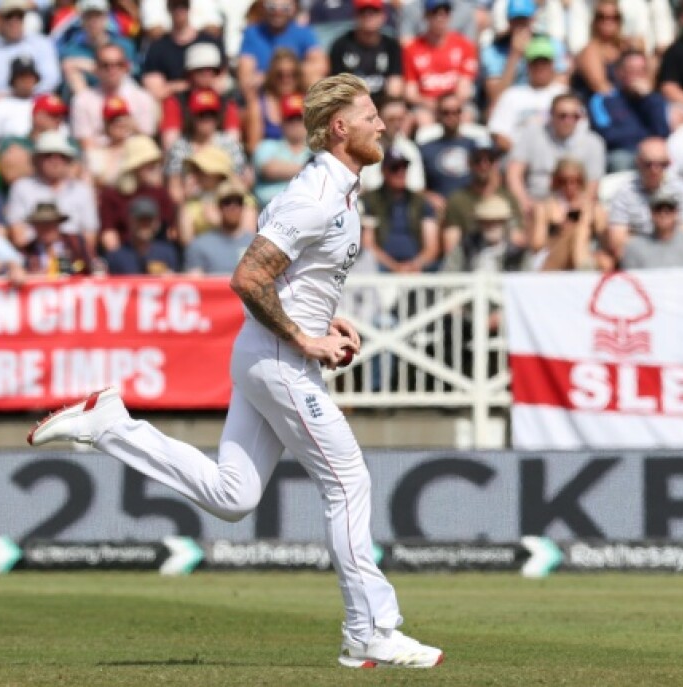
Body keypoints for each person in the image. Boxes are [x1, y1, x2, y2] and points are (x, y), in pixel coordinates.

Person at [27, 74, 445, 670]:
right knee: (348, 482)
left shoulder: (339, 192)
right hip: (279, 358)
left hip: (270, 351)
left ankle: (112, 426)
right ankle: (372, 630)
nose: (384, 124)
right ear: (340, 127)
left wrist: (331, 322)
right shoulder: (316, 195)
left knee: (233, 495)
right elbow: (248, 276)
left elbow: (294, 278)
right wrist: (304, 336)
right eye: (371, 114)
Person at [507, 94, 606, 218]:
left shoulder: (594, 143)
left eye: (575, 116)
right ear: (551, 115)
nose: (568, 121)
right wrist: (524, 202)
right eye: (562, 116)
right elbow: (514, 174)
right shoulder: (532, 134)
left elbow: (592, 187)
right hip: (536, 202)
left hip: (575, 207)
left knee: (598, 213)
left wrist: (570, 211)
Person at [5, 132, 99, 250]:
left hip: (73, 256)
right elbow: (17, 234)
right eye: (48, 155)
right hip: (33, 255)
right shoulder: (21, 187)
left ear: (68, 161)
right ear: (37, 159)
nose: (55, 161)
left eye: (61, 156)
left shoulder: (82, 191)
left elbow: (90, 235)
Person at [607, 137, 683, 252]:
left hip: (675, 256)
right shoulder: (624, 193)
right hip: (637, 258)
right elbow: (617, 241)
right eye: (648, 164)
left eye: (662, 164)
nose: (655, 169)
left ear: (669, 164)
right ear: (638, 163)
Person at [588, 49, 669, 172]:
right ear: (619, 73)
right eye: (631, 71)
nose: (637, 76)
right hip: (622, 153)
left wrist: (647, 98)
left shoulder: (654, 100)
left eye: (641, 71)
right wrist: (643, 137)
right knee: (620, 160)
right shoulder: (603, 99)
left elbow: (662, 132)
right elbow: (607, 135)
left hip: (651, 153)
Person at [361, 148, 440, 273]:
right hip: (381, 268)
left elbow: (431, 247)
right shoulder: (370, 201)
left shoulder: (421, 202)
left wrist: (413, 266)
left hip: (417, 268)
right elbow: (368, 245)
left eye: (404, 167)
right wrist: (395, 267)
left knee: (439, 268)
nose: (400, 172)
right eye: (394, 168)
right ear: (383, 171)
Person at [442, 143, 519, 271]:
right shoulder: (457, 199)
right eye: (478, 160)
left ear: (496, 164)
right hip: (470, 262)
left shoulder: (508, 198)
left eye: (489, 160)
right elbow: (451, 245)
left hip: (505, 263)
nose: (484, 165)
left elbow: (517, 238)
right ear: (469, 163)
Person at [0, 0, 60, 105]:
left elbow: (52, 78)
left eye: (19, 16)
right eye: (8, 16)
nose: (14, 21)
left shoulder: (42, 43)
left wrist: (26, 94)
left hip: (35, 102)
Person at [487, 36, 567, 155]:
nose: (540, 67)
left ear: (552, 64)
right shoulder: (512, 95)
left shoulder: (564, 94)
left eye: (544, 62)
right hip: (517, 159)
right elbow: (498, 133)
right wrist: (521, 156)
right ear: (528, 65)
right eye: (535, 63)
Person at [71, 43, 159, 151]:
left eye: (118, 64)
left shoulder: (143, 98)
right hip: (99, 160)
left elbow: (148, 140)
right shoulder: (82, 101)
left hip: (134, 159)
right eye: (105, 65)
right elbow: (85, 144)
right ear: (96, 68)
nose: (112, 70)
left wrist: (133, 127)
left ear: (126, 67)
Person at [164, 92, 251, 202]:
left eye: (211, 114)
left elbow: (240, 182)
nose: (207, 120)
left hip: (226, 204)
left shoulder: (230, 145)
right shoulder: (179, 147)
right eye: (201, 115)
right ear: (191, 116)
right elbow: (174, 187)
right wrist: (185, 200)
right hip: (191, 204)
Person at [403, 0, 478, 123]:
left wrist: (448, 106)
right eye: (435, 13)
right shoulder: (412, 49)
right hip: (426, 106)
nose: (440, 17)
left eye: (445, 12)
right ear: (426, 16)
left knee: (467, 115)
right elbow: (410, 93)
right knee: (423, 119)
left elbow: (465, 89)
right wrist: (433, 104)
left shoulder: (464, 45)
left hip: (456, 104)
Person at [481, 0, 568, 105]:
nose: (520, 24)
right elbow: (496, 98)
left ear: (533, 19)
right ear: (508, 20)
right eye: (516, 20)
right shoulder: (494, 50)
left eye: (524, 19)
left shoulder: (551, 43)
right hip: (511, 105)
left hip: (544, 104)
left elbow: (561, 86)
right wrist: (514, 56)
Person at [100, 135, 176, 252]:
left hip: (157, 256)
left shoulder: (160, 194)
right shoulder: (112, 195)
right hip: (125, 256)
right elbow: (109, 234)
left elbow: (170, 231)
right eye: (149, 164)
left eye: (155, 164)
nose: (154, 168)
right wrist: (122, 261)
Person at [530, 157, 606, 269]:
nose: (570, 186)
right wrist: (558, 232)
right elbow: (536, 245)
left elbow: (604, 240)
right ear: (556, 181)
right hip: (553, 256)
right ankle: (583, 268)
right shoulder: (545, 208)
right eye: (564, 181)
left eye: (576, 180)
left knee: (582, 231)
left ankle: (583, 265)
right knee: (579, 230)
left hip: (585, 253)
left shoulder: (593, 208)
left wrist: (587, 222)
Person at [139, 0, 221, 101]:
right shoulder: (157, 47)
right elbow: (155, 90)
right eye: (175, 6)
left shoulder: (209, 43)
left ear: (189, 8)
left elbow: (220, 82)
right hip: (172, 104)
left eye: (183, 6)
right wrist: (190, 85)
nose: (179, 10)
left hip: (208, 102)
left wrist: (173, 86)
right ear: (169, 9)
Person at [235, 0, 326, 91]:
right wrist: (273, 77)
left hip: (297, 91)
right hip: (266, 93)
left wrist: (288, 71)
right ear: (263, 7)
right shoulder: (253, 33)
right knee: (250, 87)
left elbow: (321, 65)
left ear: (293, 8)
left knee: (314, 78)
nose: (278, 12)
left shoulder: (304, 32)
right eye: (272, 7)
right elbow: (245, 75)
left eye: (285, 7)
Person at [329, 0, 404, 107]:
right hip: (352, 105)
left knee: (395, 109)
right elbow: (337, 86)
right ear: (355, 15)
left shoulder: (391, 46)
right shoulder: (341, 45)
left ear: (383, 16)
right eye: (363, 11)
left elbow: (395, 85)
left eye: (374, 11)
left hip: (383, 104)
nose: (368, 15)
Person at [61, 0, 140, 97]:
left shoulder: (124, 45)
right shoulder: (71, 49)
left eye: (98, 16)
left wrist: (95, 67)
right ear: (81, 19)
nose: (93, 21)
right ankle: (86, 106)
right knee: (71, 71)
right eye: (88, 17)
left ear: (106, 18)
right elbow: (66, 67)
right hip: (89, 94)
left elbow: (132, 70)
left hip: (119, 93)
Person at [620, 188, 683, 268]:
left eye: (669, 209)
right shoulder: (635, 247)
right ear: (651, 213)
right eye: (658, 209)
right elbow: (630, 280)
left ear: (676, 213)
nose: (663, 214)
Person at [244, 48, 309, 153]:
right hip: (271, 162)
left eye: (292, 74)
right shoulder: (259, 105)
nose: (286, 79)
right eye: (280, 75)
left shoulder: (308, 102)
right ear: (271, 75)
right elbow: (254, 148)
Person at [418, 94, 478, 204]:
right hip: (439, 210)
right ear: (438, 115)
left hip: (472, 206)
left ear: (461, 114)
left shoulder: (475, 146)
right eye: (446, 112)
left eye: (456, 111)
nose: (451, 116)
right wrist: (429, 197)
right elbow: (416, 186)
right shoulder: (425, 149)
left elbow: (492, 177)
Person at [186, 180, 255, 275]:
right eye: (227, 202)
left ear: (243, 207)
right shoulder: (200, 245)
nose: (233, 207)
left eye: (238, 202)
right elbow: (195, 282)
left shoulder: (256, 245)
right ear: (218, 207)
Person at [253, 94, 310, 205]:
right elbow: (269, 169)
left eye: (299, 119)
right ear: (282, 120)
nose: (295, 124)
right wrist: (309, 169)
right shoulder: (266, 146)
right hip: (269, 211)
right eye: (290, 119)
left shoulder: (318, 150)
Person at [359, 97, 424, 194]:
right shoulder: (365, 148)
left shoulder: (410, 149)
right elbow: (360, 187)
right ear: (379, 119)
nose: (397, 124)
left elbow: (417, 187)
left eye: (400, 119)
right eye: (391, 119)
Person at [105, 196, 181, 275]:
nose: (144, 225)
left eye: (149, 220)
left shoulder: (168, 253)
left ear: (157, 223)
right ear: (130, 221)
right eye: (140, 220)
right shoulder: (116, 257)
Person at [571, 0, 628, 101]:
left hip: (623, 103)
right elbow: (600, 86)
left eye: (614, 17)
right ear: (594, 21)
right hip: (601, 105)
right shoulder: (590, 51)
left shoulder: (625, 47)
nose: (608, 21)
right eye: (602, 17)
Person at [22, 201, 98, 275]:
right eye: (40, 224)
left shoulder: (75, 242)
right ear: (35, 227)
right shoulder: (28, 251)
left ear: (58, 224)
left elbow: (93, 266)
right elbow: (22, 273)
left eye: (49, 224)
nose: (45, 229)